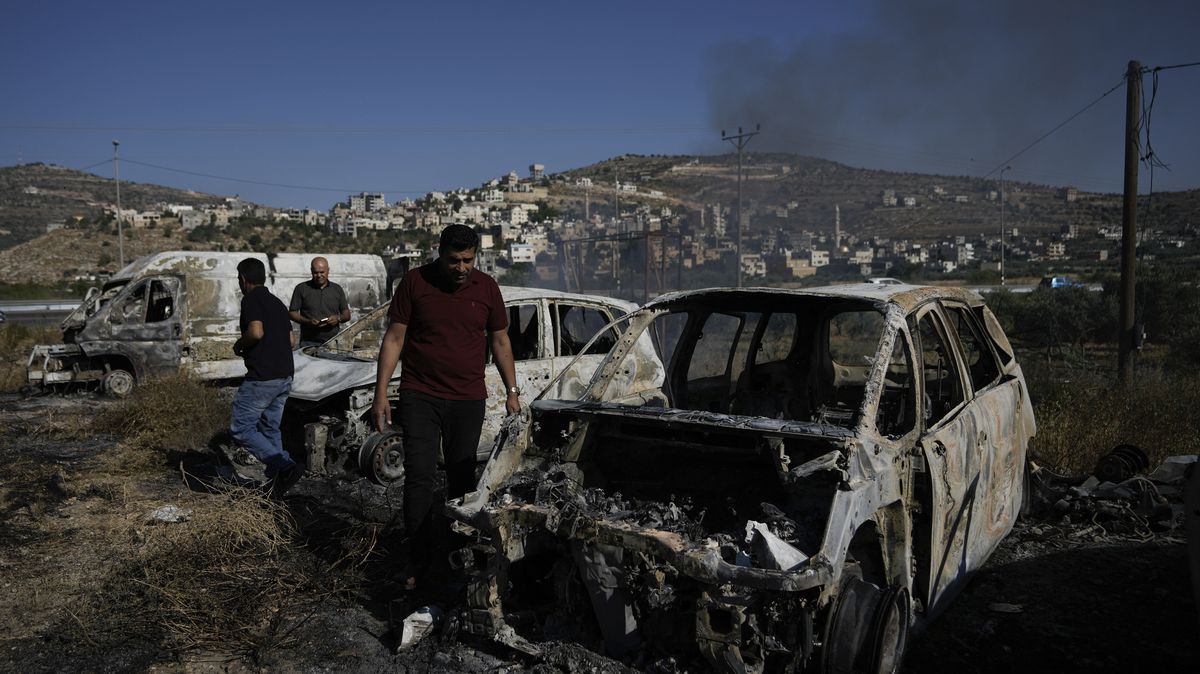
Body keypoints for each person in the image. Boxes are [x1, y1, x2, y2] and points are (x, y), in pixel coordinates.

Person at [372, 224, 520, 590]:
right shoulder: (415, 283)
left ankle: (459, 554)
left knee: (462, 476)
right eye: (454, 260)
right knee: (419, 477)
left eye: (468, 260)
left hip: (468, 399)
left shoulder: (487, 288)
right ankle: (419, 560)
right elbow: (394, 339)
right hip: (420, 394)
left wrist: (512, 391)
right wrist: (379, 394)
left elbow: (500, 341)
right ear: (440, 254)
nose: (461, 268)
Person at [232, 257, 302, 497]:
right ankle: (278, 482)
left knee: (241, 427)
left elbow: (256, 331)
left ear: (243, 279)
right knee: (270, 428)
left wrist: (240, 345)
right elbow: (292, 341)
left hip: (263, 376)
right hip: (285, 375)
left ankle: (286, 467)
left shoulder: (251, 299)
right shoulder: (277, 303)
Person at [289, 256, 351, 347]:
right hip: (308, 342)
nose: (319, 275)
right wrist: (308, 321)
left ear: (328, 270)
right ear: (311, 271)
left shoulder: (337, 289)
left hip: (333, 342)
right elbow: (292, 313)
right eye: (315, 272)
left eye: (322, 272)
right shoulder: (301, 288)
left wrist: (338, 318)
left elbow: (347, 314)